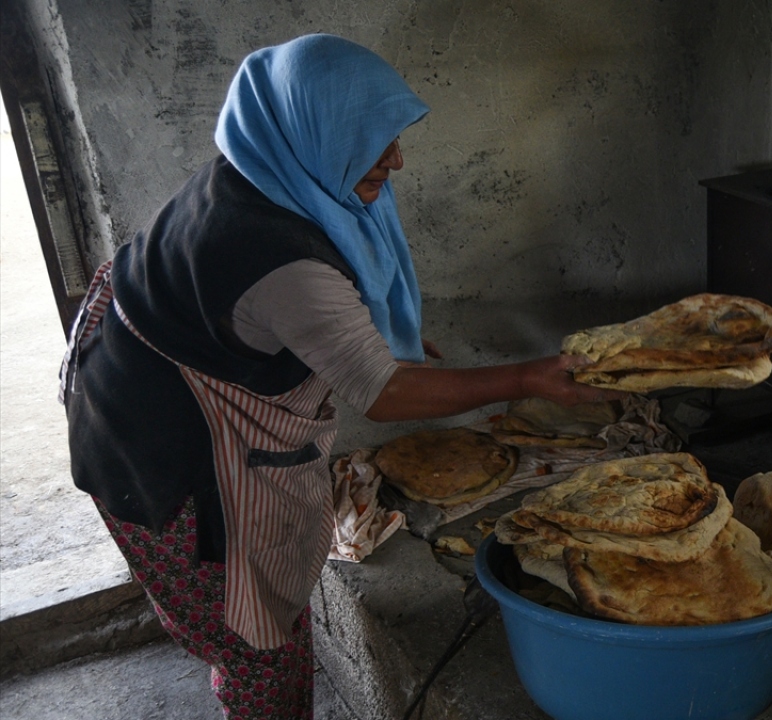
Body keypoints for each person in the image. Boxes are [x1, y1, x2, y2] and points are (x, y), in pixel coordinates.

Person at [59, 34, 619, 719]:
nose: (398, 159)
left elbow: (327, 312)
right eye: (374, 140)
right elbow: (384, 393)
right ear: (312, 131)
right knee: (254, 643)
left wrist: (364, 333)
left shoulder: (266, 167)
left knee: (252, 623)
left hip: (128, 368)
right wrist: (530, 377)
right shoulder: (281, 262)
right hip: (164, 450)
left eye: (394, 136)